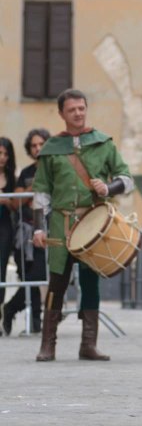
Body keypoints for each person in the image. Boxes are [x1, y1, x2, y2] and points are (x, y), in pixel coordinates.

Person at [31, 89, 135, 361]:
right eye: (72, 109)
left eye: (81, 108)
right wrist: (38, 228)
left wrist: (108, 186)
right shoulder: (51, 148)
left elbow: (127, 178)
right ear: (61, 114)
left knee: (91, 284)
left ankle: (88, 344)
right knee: (57, 284)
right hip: (60, 223)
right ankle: (48, 344)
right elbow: (41, 194)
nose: (78, 113)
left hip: (94, 223)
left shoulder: (103, 143)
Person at [3, 129, 50, 335]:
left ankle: (11, 307)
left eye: (41, 144)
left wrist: (30, 194)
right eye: (34, 145)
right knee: (28, 273)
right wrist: (30, 195)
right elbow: (17, 201)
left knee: (39, 273)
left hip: (51, 228)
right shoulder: (27, 173)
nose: (38, 148)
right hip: (27, 231)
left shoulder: (54, 169)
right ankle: (35, 324)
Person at [0, 137, 16, 335]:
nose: (2, 158)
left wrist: (6, 201)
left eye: (5, 154)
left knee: (0, 270)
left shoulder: (12, 177)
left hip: (4, 227)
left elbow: (15, 205)